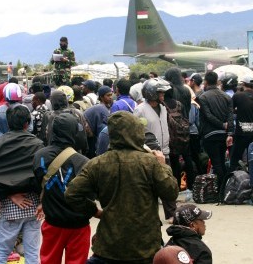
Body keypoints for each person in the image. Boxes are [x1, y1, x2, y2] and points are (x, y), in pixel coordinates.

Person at [65, 111, 179, 264]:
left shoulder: (97, 164)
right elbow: (171, 192)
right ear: (136, 132)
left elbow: (72, 194)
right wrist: (163, 166)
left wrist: (95, 212)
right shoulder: (150, 163)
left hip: (109, 246)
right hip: (145, 246)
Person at [0, 105, 44, 264]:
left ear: (8, 123)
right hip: (34, 207)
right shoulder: (38, 145)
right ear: (27, 123)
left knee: (1, 253)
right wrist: (43, 202)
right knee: (32, 254)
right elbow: (45, 175)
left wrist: (8, 194)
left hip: (9, 208)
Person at [33, 113, 92, 263]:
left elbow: (36, 185)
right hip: (79, 225)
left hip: (53, 223)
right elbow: (90, 195)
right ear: (74, 132)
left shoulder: (40, 156)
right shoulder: (84, 162)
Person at [134, 79, 177, 222]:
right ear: (151, 93)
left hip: (164, 151)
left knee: (167, 182)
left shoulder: (163, 107)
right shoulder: (140, 110)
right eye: (160, 92)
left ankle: (171, 213)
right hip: (149, 153)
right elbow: (136, 132)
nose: (163, 95)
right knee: (149, 187)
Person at [197, 71, 233, 195]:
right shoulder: (226, 96)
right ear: (217, 81)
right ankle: (224, 188)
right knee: (221, 162)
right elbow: (230, 116)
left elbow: (208, 115)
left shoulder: (203, 97)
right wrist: (229, 131)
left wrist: (221, 125)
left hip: (209, 134)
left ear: (205, 82)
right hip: (223, 134)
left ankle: (222, 190)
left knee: (216, 162)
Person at [230, 75, 253, 171]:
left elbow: (230, 111)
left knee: (235, 157)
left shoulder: (238, 95)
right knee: (252, 157)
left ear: (243, 84)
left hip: (241, 132)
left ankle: (232, 177)